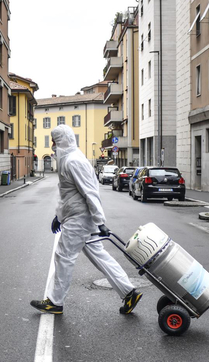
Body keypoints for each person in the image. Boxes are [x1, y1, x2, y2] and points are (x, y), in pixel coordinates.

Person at [30, 125, 141, 315]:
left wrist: (100, 221)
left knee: (64, 256)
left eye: (55, 141)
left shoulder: (73, 161)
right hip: (77, 216)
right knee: (99, 255)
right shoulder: (69, 160)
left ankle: (55, 302)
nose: (53, 145)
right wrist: (58, 216)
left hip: (79, 219)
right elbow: (67, 193)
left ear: (62, 140)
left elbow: (90, 192)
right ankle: (128, 291)